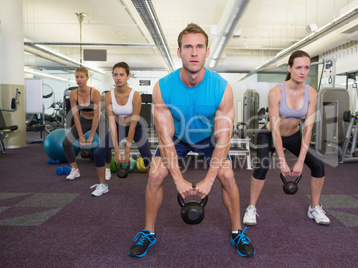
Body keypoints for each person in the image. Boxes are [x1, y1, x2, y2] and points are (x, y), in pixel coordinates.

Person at [128, 23, 255, 258]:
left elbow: (223, 140)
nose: (194, 52)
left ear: (207, 51)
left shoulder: (221, 88)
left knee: (227, 175)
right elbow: (165, 140)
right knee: (155, 174)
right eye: (188, 47)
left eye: (199, 47)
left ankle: (238, 231)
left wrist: (207, 181)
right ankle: (148, 232)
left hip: (208, 138)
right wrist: (178, 180)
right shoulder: (163, 87)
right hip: (178, 138)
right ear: (179, 52)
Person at [242, 50, 330, 226]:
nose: (302, 71)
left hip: (294, 136)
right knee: (263, 165)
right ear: (289, 68)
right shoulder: (276, 92)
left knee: (318, 166)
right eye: (298, 67)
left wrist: (300, 161)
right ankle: (251, 207)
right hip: (269, 135)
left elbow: (308, 128)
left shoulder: (311, 93)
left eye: (306, 67)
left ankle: (314, 207)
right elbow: (275, 130)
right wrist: (282, 161)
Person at [92, 62, 152, 197]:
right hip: (118, 127)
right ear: (113, 77)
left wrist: (126, 151)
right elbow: (112, 123)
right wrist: (117, 152)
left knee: (147, 155)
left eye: (121, 75)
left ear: (128, 77)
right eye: (115, 75)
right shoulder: (109, 96)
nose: (118, 78)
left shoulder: (136, 95)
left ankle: (152, 186)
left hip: (135, 127)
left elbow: (133, 123)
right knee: (98, 153)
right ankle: (103, 185)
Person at [62, 67, 111, 181]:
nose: (79, 79)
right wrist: (80, 135)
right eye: (77, 77)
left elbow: (96, 116)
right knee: (66, 143)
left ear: (87, 78)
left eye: (81, 77)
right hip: (82, 120)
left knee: (106, 144)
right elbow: (75, 116)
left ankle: (107, 169)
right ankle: (75, 169)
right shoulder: (73, 94)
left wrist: (91, 136)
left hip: (99, 120)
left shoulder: (95, 93)